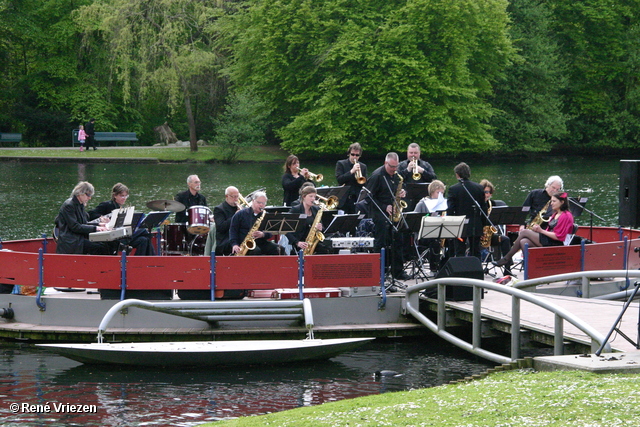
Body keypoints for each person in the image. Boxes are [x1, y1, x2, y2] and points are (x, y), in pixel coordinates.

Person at [495, 192, 574, 267]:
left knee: (525, 232)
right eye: (551, 201)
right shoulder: (556, 214)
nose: (551, 203)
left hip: (557, 244)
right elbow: (550, 230)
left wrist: (541, 231)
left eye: (554, 201)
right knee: (523, 241)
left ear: (562, 202)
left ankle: (507, 259)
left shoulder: (566, 216)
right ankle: (530, 269)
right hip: (550, 240)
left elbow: (559, 237)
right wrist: (537, 230)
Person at [365, 152, 409, 280]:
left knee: (398, 240)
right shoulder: (377, 176)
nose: (394, 170)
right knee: (382, 242)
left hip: (394, 211)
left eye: (396, 167)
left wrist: (403, 192)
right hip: (379, 213)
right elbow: (368, 197)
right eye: (391, 167)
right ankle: (381, 271)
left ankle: (398, 271)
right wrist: (385, 206)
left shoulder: (396, 176)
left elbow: (401, 186)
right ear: (385, 163)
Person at [87, 183, 155, 255]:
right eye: (122, 196)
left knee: (144, 240)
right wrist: (102, 217)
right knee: (144, 231)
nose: (124, 198)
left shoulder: (121, 208)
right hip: (115, 237)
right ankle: (146, 235)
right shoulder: (108, 204)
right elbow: (90, 214)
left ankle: (142, 262)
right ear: (115, 195)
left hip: (122, 235)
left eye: (126, 196)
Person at [54, 181, 111, 255]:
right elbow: (75, 226)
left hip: (78, 238)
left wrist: (100, 225)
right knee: (99, 247)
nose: (90, 198)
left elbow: (84, 223)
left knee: (105, 244)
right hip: (71, 241)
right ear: (80, 193)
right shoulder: (69, 206)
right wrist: (96, 228)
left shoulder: (80, 204)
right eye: (88, 195)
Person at [447, 162, 487, 259]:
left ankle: (462, 271)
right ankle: (477, 270)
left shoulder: (453, 189)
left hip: (460, 224)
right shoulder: (479, 187)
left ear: (457, 174)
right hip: (476, 223)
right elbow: (484, 208)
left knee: (460, 250)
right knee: (475, 250)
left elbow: (450, 209)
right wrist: (483, 224)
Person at [479, 179, 513, 275]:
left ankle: (507, 270)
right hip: (478, 235)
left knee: (505, 239)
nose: (488, 194)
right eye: (485, 192)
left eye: (489, 192)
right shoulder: (476, 205)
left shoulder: (492, 204)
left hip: (489, 236)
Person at [414, 180, 447, 273]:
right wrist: (429, 216)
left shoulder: (444, 203)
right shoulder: (422, 203)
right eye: (438, 192)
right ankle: (434, 267)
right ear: (432, 192)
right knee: (435, 241)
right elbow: (415, 220)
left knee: (452, 240)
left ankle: (445, 265)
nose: (440, 195)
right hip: (425, 234)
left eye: (442, 193)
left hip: (441, 231)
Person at [286, 186, 330, 255]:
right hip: (300, 243)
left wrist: (321, 228)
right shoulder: (296, 210)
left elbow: (322, 228)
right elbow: (286, 229)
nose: (313, 199)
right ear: (304, 197)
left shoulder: (316, 209)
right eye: (310, 196)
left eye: (314, 197)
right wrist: (297, 242)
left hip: (312, 242)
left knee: (327, 248)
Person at [398, 143, 437, 211]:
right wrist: (407, 170)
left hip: (423, 198)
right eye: (411, 153)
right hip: (406, 198)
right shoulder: (401, 165)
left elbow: (434, 177)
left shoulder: (426, 165)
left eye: (415, 153)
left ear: (419, 153)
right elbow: (396, 178)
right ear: (407, 153)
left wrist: (423, 171)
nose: (413, 155)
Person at [335, 143, 368, 214]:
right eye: (352, 154)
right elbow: (339, 179)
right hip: (344, 200)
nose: (354, 157)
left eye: (357, 155)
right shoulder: (341, 164)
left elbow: (365, 184)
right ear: (349, 154)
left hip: (356, 200)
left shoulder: (363, 166)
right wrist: (352, 171)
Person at [210, 186, 242, 256]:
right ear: (227, 196)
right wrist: (235, 216)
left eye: (237, 197)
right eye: (234, 197)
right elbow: (221, 227)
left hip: (239, 237)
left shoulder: (239, 208)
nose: (236, 199)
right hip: (225, 240)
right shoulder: (219, 209)